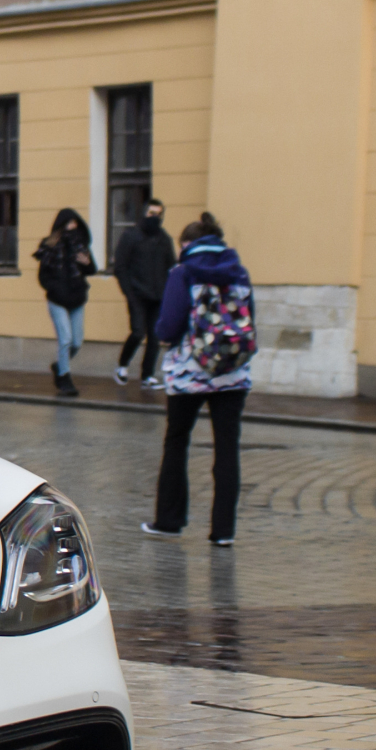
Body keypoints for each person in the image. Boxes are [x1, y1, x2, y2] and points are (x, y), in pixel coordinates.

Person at [143, 212, 254, 546]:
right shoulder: (239, 272)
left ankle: (170, 521)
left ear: (187, 245)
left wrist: (166, 336)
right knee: (227, 448)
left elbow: (169, 326)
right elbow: (251, 322)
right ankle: (223, 532)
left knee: (177, 441)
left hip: (189, 373)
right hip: (232, 374)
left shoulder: (183, 273)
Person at [110, 199, 174, 389]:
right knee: (138, 331)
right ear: (144, 214)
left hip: (158, 296)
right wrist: (129, 292)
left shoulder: (164, 239)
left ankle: (147, 376)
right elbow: (120, 267)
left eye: (159, 214)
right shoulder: (131, 236)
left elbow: (172, 266)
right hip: (137, 294)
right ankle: (122, 366)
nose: (155, 218)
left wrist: (168, 292)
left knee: (155, 337)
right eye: (151, 213)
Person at [32, 207, 96, 398]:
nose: (72, 226)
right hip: (57, 300)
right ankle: (64, 378)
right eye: (69, 223)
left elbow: (91, 270)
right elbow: (43, 277)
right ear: (61, 225)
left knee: (77, 341)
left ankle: (60, 365)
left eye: (75, 223)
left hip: (76, 299)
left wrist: (87, 264)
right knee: (66, 339)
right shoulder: (49, 246)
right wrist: (55, 288)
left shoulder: (81, 245)